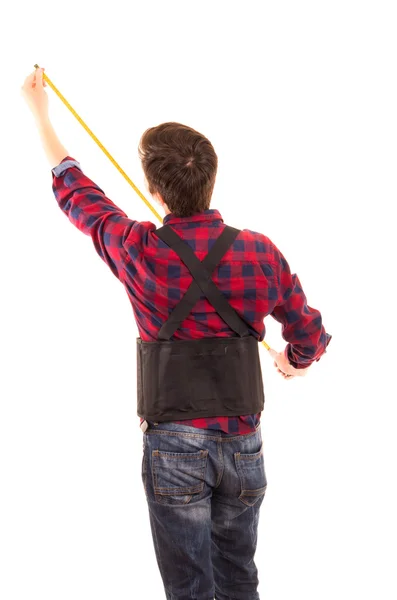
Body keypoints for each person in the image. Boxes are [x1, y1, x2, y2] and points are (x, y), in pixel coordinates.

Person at [22, 67, 332, 600]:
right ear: (210, 178)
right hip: (243, 445)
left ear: (153, 190)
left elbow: (81, 198)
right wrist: (295, 359)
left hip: (173, 446)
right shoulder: (258, 250)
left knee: (189, 588)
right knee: (239, 577)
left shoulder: (137, 249)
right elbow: (310, 332)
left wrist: (40, 115)